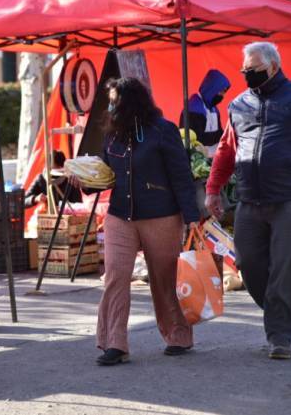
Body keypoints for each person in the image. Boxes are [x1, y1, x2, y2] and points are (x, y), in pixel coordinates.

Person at [205, 42, 291, 360]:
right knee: (248, 264)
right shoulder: (238, 105)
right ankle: (280, 308)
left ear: (274, 67)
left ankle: (280, 336)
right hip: (250, 200)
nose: (248, 75)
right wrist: (213, 189)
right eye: (245, 71)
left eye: (254, 71)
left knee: (284, 266)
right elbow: (226, 150)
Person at [91, 77, 200, 366]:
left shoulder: (163, 131)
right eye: (110, 101)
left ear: (132, 102)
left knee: (164, 279)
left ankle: (178, 335)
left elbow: (181, 175)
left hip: (161, 215)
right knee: (115, 276)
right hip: (119, 216)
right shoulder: (112, 134)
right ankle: (115, 343)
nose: (111, 107)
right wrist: (83, 181)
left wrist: (192, 217)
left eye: (116, 101)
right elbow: (105, 174)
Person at [180, 69, 231, 157]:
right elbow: (195, 139)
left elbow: (219, 134)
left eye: (224, 92)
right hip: (196, 158)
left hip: (213, 155)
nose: (222, 96)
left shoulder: (214, 109)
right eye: (221, 92)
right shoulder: (193, 108)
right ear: (212, 89)